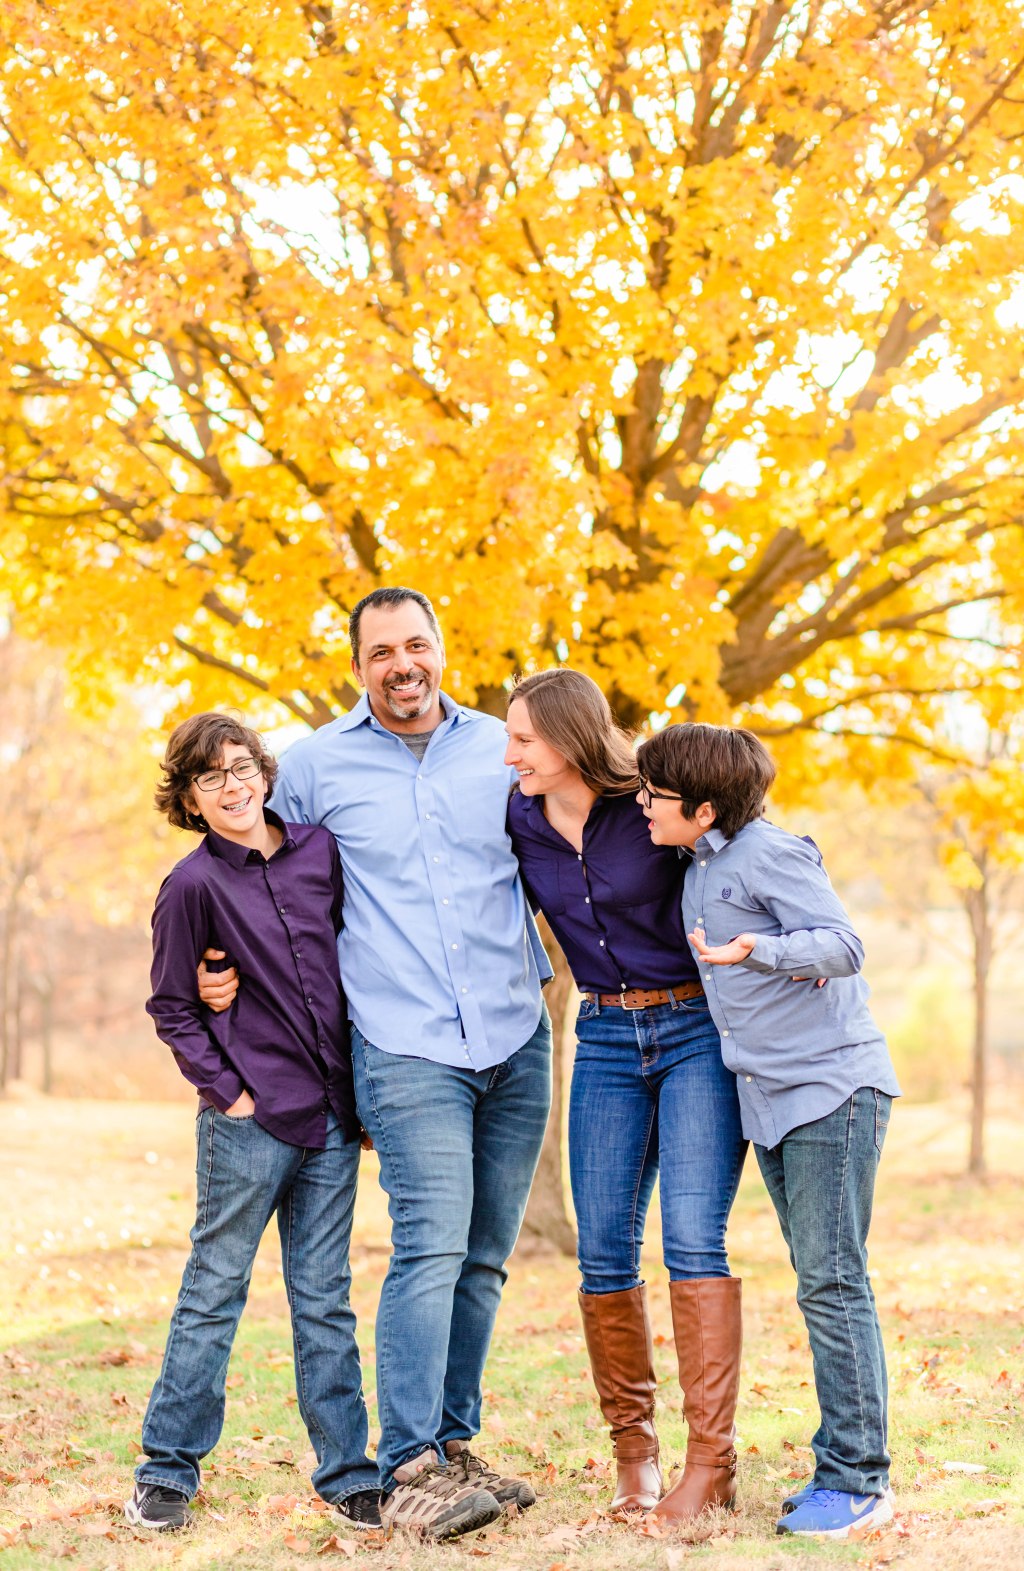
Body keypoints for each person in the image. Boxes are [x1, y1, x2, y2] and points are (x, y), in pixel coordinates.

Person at [198, 588, 552, 1541]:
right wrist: (211, 959)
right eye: (382, 650)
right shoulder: (312, 765)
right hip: (404, 1047)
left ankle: (453, 1436)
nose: (404, 662)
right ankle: (407, 1463)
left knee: (483, 1256)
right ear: (358, 666)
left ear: (442, 649)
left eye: (418, 643)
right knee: (430, 1246)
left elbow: (582, 831)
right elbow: (244, 857)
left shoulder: (504, 749)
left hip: (518, 1037)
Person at [635, 721, 901, 1541]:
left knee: (832, 1280)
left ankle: (859, 1480)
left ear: (704, 806)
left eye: (656, 794)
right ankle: (841, 1461)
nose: (643, 804)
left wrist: (761, 949)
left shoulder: (771, 853)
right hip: (774, 1097)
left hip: (832, 1088)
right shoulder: (700, 860)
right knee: (818, 1276)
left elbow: (845, 944)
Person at [504, 671, 747, 1526]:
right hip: (603, 1037)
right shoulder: (517, 817)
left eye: (525, 739)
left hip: (694, 1034)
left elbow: (744, 851)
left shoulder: (653, 802)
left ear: (571, 738)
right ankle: (634, 1457)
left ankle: (710, 1463)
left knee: (691, 1236)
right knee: (603, 1249)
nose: (512, 755)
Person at [126, 713, 379, 1533]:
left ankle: (347, 1473)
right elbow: (172, 1004)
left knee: (324, 1299)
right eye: (211, 779)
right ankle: (166, 1469)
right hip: (249, 1120)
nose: (233, 786)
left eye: (242, 768)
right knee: (214, 1291)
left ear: (264, 773)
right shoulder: (192, 885)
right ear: (191, 800)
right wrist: (229, 1091)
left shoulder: (320, 853)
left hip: (333, 1116)